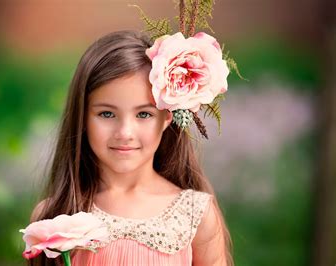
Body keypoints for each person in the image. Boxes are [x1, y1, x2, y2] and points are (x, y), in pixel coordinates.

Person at [28, 30, 233, 266]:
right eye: (106, 113)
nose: (125, 132)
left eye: (143, 114)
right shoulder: (53, 221)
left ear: (167, 116)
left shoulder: (195, 216)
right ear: (82, 116)